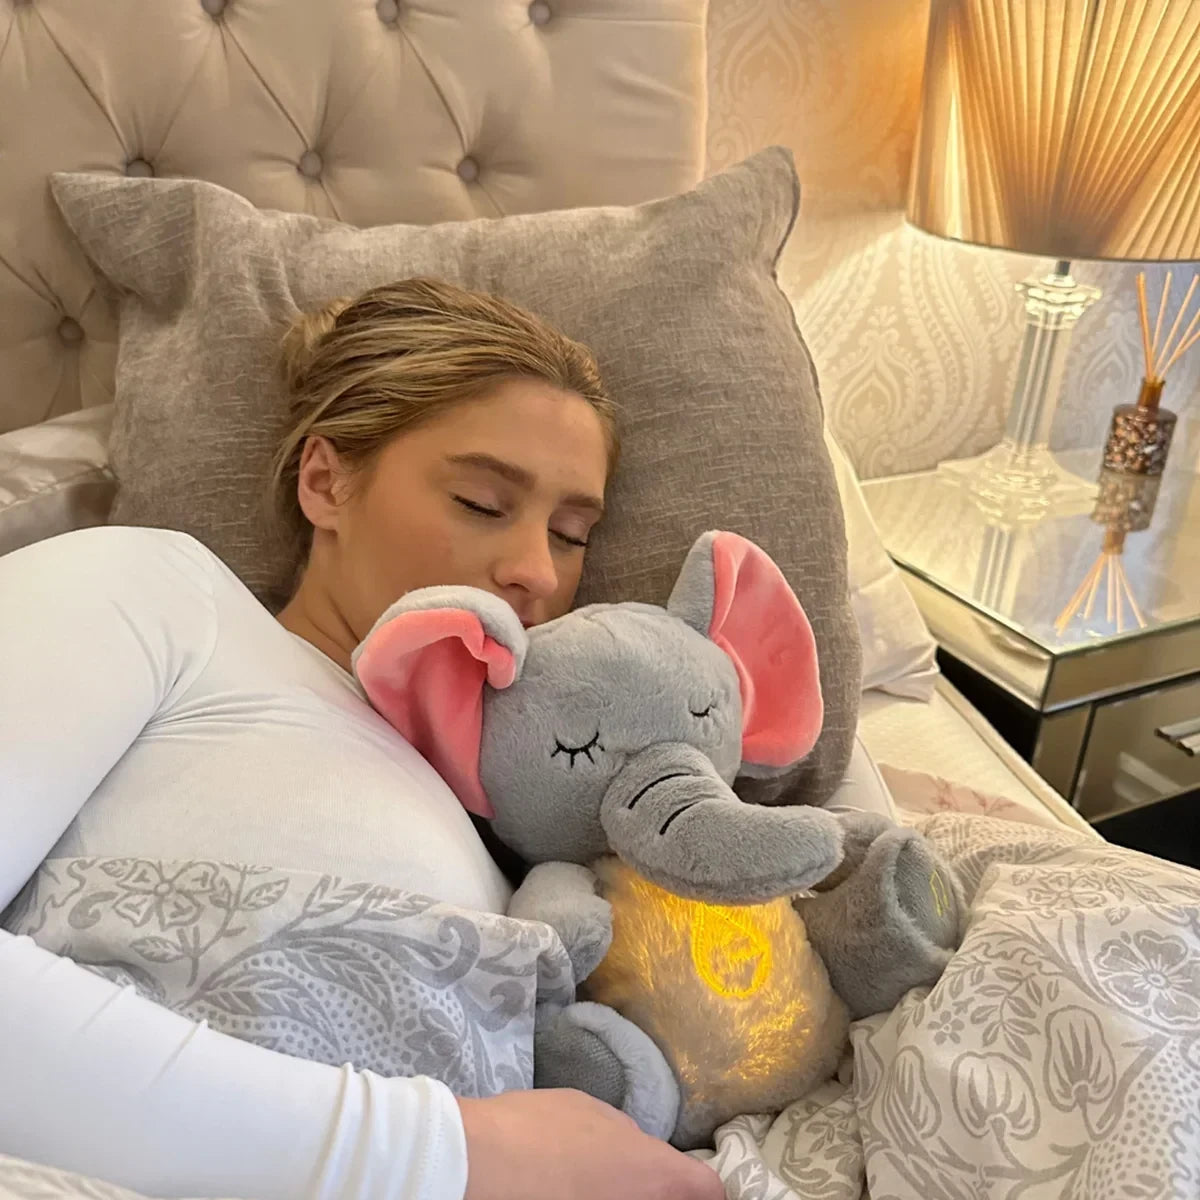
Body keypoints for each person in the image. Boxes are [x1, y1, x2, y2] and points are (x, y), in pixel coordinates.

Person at [0, 279, 725, 1200]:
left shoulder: (521, 840)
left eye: (574, 532)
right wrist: (435, 1153)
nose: (538, 571)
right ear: (326, 481)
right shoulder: (163, 594)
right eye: (480, 501)